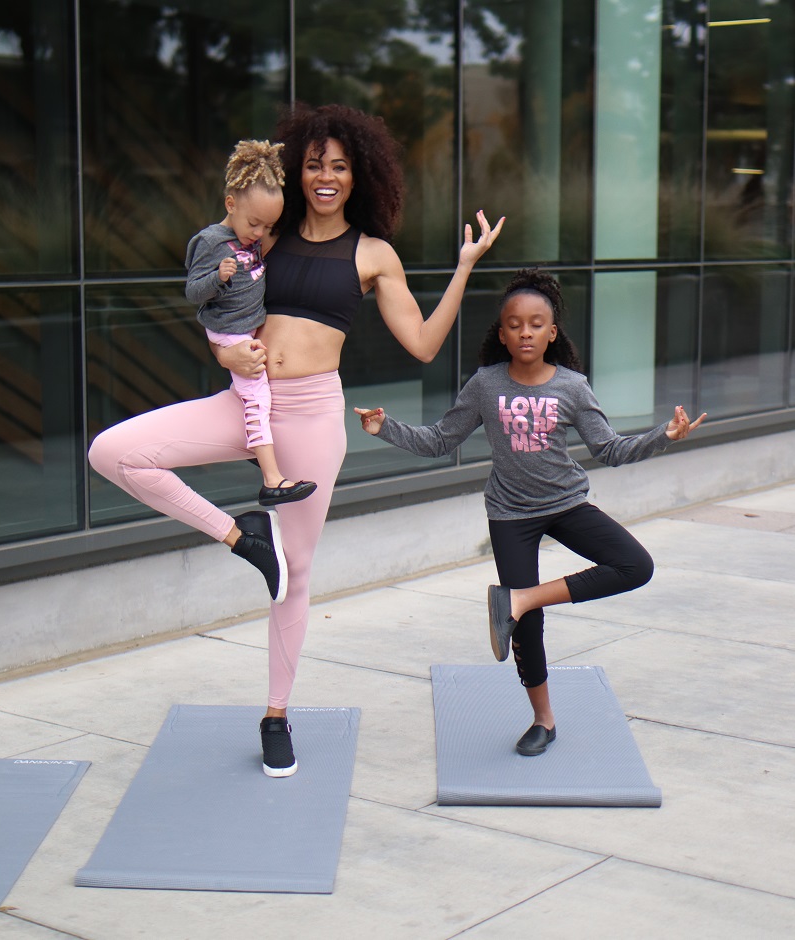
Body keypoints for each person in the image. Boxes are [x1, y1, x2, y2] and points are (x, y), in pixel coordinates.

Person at [88, 102, 505, 777]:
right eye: (314, 164)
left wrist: (464, 267)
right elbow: (217, 308)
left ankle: (276, 715)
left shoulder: (372, 254)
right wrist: (225, 356)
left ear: (357, 174)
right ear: (296, 169)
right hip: (244, 403)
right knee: (113, 452)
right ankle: (239, 536)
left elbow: (425, 344)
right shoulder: (263, 238)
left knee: (296, 577)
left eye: (339, 166)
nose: (326, 176)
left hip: (311, 418)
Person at [355, 268, 706, 758]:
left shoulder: (572, 386)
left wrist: (662, 438)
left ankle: (520, 599)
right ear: (501, 333)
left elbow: (608, 449)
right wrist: (384, 428)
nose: (525, 332)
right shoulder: (485, 384)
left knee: (635, 566)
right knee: (528, 627)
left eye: (536, 324)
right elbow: (439, 440)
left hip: (566, 505)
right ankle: (543, 719)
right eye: (515, 324)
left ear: (551, 332)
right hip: (511, 515)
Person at [185, 139, 316, 512]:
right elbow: (193, 293)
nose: (258, 232)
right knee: (257, 400)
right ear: (230, 204)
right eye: (253, 223)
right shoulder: (211, 242)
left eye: (267, 225)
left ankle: (256, 449)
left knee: (260, 398)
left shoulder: (252, 235)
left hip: (247, 327)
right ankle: (272, 481)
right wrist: (218, 278)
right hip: (231, 332)